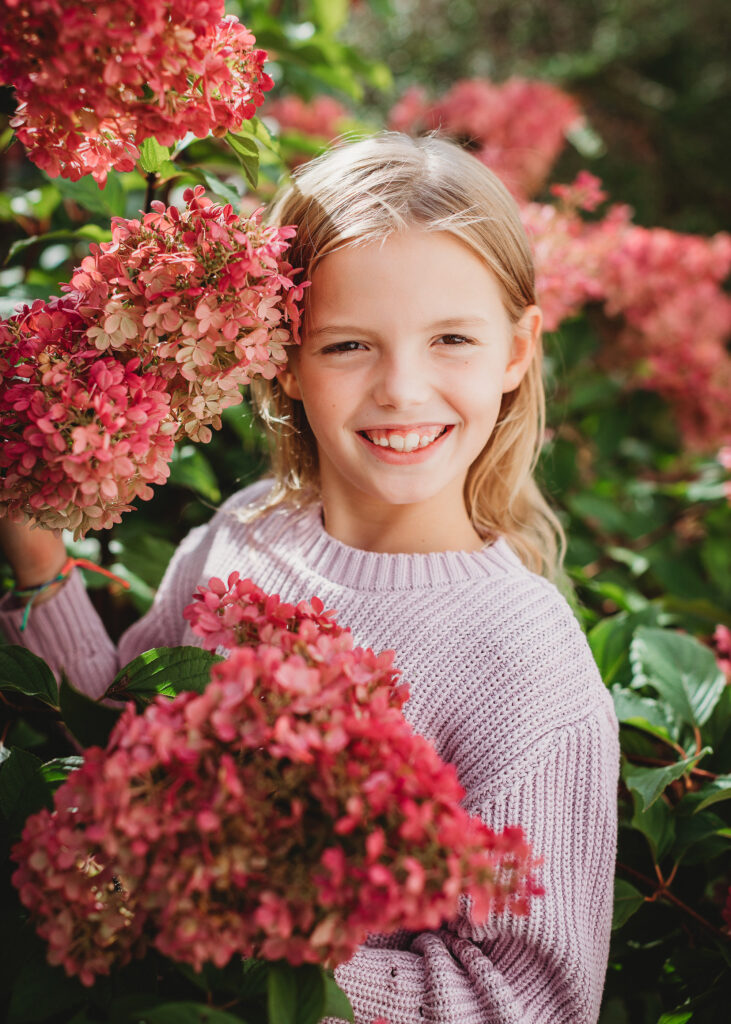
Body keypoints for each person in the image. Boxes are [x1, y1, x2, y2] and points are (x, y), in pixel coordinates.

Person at [0, 133, 619, 1024]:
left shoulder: (525, 662)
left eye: (451, 338)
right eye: (346, 346)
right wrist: (35, 555)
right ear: (281, 358)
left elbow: (529, 1003)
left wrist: (248, 934)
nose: (403, 390)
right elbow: (108, 741)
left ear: (516, 351)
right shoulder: (244, 530)